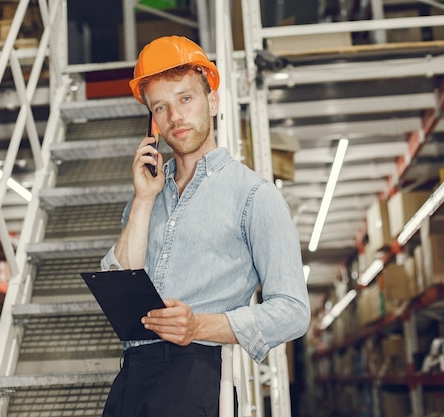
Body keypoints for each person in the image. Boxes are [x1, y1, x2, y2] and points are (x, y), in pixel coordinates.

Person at [100, 35, 310, 417]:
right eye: (160, 107)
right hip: (131, 377)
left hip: (194, 378)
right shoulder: (144, 195)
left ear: (212, 101)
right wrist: (145, 200)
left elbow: (293, 310)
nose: (175, 116)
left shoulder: (254, 195)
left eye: (185, 98)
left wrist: (199, 325)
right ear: (152, 121)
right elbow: (119, 279)